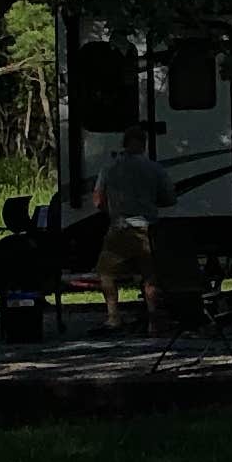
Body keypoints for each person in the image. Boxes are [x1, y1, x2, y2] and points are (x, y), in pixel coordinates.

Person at [93, 126, 170, 329]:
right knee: (150, 276)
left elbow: (98, 200)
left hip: (119, 228)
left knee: (106, 272)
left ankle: (113, 316)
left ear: (124, 143)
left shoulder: (109, 168)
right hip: (147, 228)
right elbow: (169, 198)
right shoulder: (155, 169)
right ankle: (153, 320)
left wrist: (112, 210)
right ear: (144, 144)